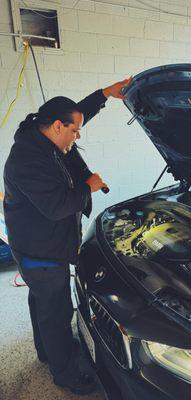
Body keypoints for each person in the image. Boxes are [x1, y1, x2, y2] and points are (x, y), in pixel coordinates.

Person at [3, 78, 131, 395]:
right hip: (40, 251)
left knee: (41, 302)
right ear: (58, 126)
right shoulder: (29, 160)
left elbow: (76, 113)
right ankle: (64, 373)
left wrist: (104, 94)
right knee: (57, 311)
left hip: (33, 245)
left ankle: (47, 350)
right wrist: (88, 185)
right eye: (73, 131)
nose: (76, 137)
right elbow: (58, 206)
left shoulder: (39, 136)